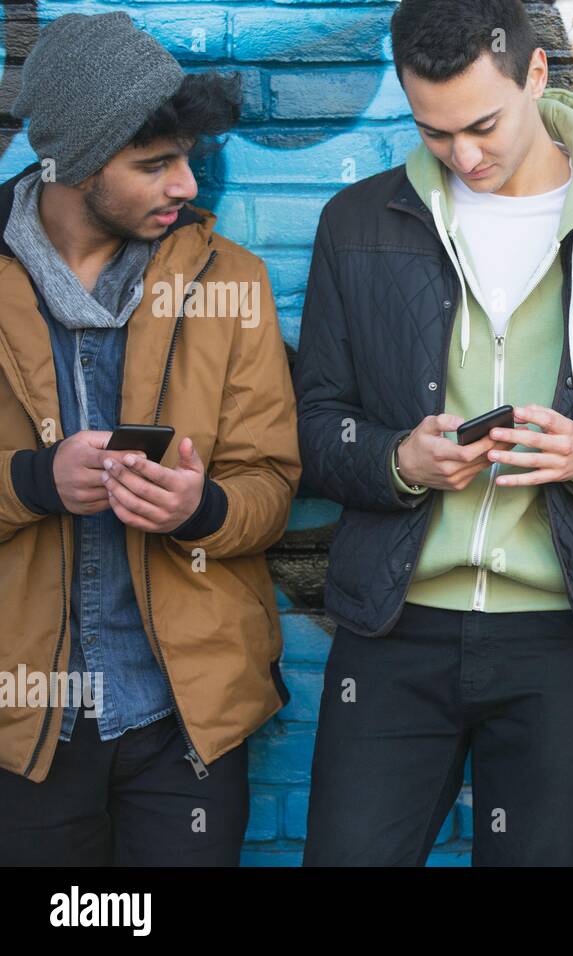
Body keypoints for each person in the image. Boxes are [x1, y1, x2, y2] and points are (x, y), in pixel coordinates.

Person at [295, 0, 573, 866]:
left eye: (483, 124)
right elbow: (316, 423)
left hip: (562, 637)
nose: (464, 156)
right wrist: (397, 460)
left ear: (537, 75)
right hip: (394, 629)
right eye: (434, 133)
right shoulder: (359, 222)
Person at [0, 12, 301, 865]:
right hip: (25, 725)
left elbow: (271, 483)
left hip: (185, 719)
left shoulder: (229, 279)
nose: (184, 183)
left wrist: (202, 508)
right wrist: (33, 482)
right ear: (78, 163)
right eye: (153, 164)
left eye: (187, 156)